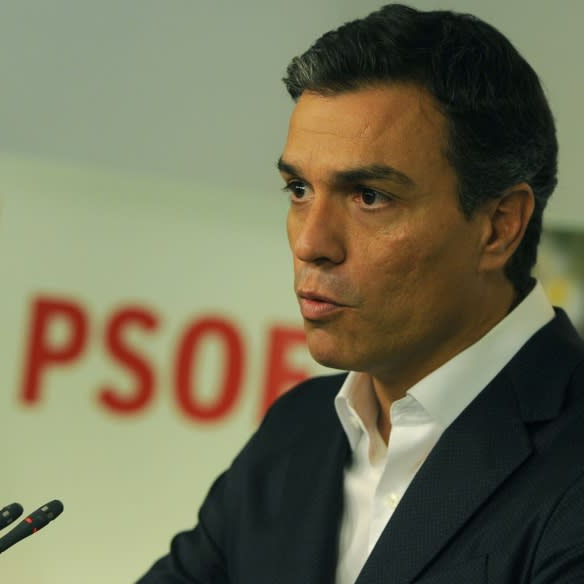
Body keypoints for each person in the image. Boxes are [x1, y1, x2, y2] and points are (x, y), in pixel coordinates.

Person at [138, 4, 584, 583]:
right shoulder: (297, 434)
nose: (312, 242)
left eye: (369, 196)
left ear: (499, 225)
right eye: (298, 188)